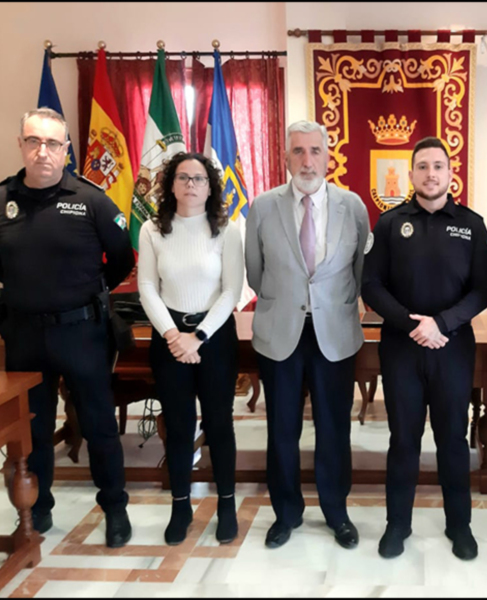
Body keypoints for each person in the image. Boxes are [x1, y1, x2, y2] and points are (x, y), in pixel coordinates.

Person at [0, 108, 135, 547]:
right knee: (33, 431)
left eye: (53, 143)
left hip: (82, 334)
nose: (43, 152)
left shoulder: (92, 200)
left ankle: (114, 507)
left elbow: (121, 260)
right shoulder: (2, 201)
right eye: (34, 141)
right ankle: (38, 509)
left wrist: (88, 296)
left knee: (98, 426)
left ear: (67, 150)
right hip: (23, 337)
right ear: (20, 144)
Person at [362, 136, 487, 560]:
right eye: (422, 166)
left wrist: (442, 323)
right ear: (412, 173)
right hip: (402, 348)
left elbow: (482, 290)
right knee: (403, 439)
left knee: (453, 440)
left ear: (450, 172)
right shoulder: (388, 223)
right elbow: (371, 286)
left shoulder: (471, 224)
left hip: (453, 347)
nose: (431, 173)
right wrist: (411, 323)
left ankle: (460, 526)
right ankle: (397, 524)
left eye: (438, 165)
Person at [245, 120, 370, 550]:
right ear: (285, 157)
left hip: (334, 333)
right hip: (281, 332)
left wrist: (330, 304)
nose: (307, 160)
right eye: (298, 151)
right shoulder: (261, 207)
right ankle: (287, 513)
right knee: (282, 429)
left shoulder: (352, 206)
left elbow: (358, 273)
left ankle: (337, 512)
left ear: (328, 156)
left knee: (334, 428)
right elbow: (256, 272)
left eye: (315, 151)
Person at [137, 152, 243, 546]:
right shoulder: (151, 230)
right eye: (184, 177)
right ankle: (180, 505)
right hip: (168, 340)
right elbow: (147, 287)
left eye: (199, 178)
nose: (192, 185)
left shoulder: (226, 230)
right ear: (171, 185)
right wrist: (172, 335)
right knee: (179, 427)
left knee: (219, 424)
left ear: (210, 186)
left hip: (214, 339)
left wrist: (197, 337)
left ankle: (227, 505)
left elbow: (231, 290)